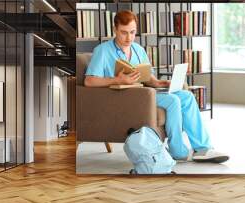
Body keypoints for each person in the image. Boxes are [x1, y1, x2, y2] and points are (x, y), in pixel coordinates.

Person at [84, 10, 229, 163]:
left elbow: (149, 79)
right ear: (115, 30)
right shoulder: (102, 51)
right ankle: (177, 151)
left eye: (132, 32)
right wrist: (117, 80)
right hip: (123, 98)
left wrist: (162, 83)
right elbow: (89, 81)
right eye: (124, 33)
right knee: (172, 100)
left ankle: (203, 148)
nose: (129, 38)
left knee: (186, 96)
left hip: (144, 94)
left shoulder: (138, 50)